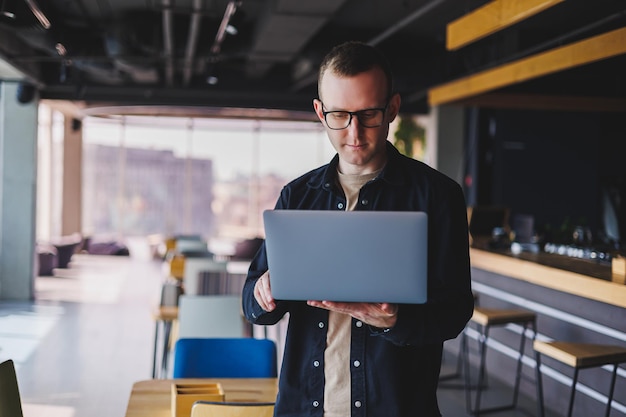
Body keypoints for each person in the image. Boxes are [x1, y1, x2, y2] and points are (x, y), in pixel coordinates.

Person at [242, 40, 474, 417]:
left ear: (393, 108)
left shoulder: (438, 196)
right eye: (339, 115)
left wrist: (398, 321)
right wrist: (262, 293)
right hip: (306, 407)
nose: (353, 133)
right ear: (320, 111)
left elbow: (456, 310)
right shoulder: (297, 196)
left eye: (368, 114)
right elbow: (252, 302)